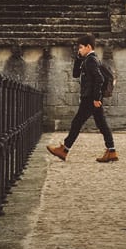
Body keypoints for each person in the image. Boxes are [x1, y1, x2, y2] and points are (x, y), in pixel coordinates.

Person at [47, 34, 118, 163]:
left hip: (90, 98)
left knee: (77, 123)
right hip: (92, 98)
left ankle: (64, 150)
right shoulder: (89, 59)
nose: (79, 50)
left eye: (80, 47)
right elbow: (75, 74)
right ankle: (111, 151)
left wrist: (96, 98)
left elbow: (99, 79)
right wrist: (78, 58)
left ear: (88, 47)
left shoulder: (91, 60)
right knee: (101, 124)